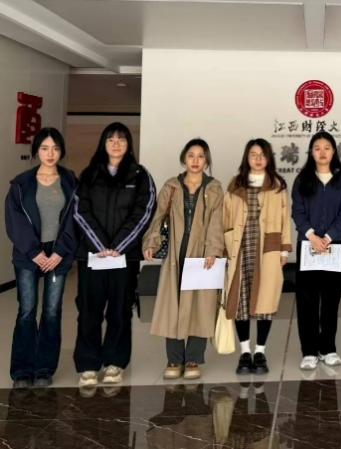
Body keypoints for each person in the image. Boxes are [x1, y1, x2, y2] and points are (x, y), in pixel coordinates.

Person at [73, 122, 156, 387]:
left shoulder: (140, 176)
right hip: (92, 256)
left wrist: (118, 246)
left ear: (129, 144)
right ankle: (88, 364)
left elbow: (144, 213)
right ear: (103, 143)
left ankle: (115, 362)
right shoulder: (89, 175)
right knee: (89, 310)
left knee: (120, 311)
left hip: (124, 257)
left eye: (121, 139)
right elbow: (80, 211)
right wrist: (100, 246)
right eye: (111, 139)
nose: (116, 143)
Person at [142, 139, 224, 380]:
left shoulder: (214, 188)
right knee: (173, 305)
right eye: (191, 155)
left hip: (202, 256)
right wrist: (151, 242)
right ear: (184, 159)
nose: (195, 160)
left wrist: (213, 249)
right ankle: (174, 359)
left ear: (206, 161)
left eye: (200, 156)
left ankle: (193, 359)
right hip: (175, 256)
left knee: (201, 306)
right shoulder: (172, 186)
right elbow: (158, 216)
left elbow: (217, 221)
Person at [4, 128, 77, 388]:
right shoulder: (21, 184)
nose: (50, 153)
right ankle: (22, 371)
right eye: (45, 148)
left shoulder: (71, 182)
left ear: (61, 151)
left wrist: (60, 252)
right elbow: (14, 221)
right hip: (28, 256)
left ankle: (45, 368)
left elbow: (76, 220)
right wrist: (34, 252)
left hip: (58, 255)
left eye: (55, 148)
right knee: (26, 310)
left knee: (52, 312)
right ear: (36, 151)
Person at [223, 139, 292, 375]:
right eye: (253, 154)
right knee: (240, 300)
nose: (258, 158)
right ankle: (245, 352)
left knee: (266, 300)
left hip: (267, 248)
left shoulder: (277, 185)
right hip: (240, 249)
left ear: (269, 158)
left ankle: (260, 351)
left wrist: (284, 249)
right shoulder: (235, 184)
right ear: (247, 157)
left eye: (262, 154)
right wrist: (224, 250)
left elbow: (285, 219)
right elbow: (225, 218)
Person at [291, 132, 341, 370]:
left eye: (327, 147)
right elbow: (297, 212)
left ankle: (328, 348)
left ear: (334, 151)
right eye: (317, 148)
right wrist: (311, 236)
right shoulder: (303, 179)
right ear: (311, 152)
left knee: (330, 298)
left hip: (333, 245)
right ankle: (308, 351)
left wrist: (327, 237)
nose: (323, 152)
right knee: (307, 299)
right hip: (308, 245)